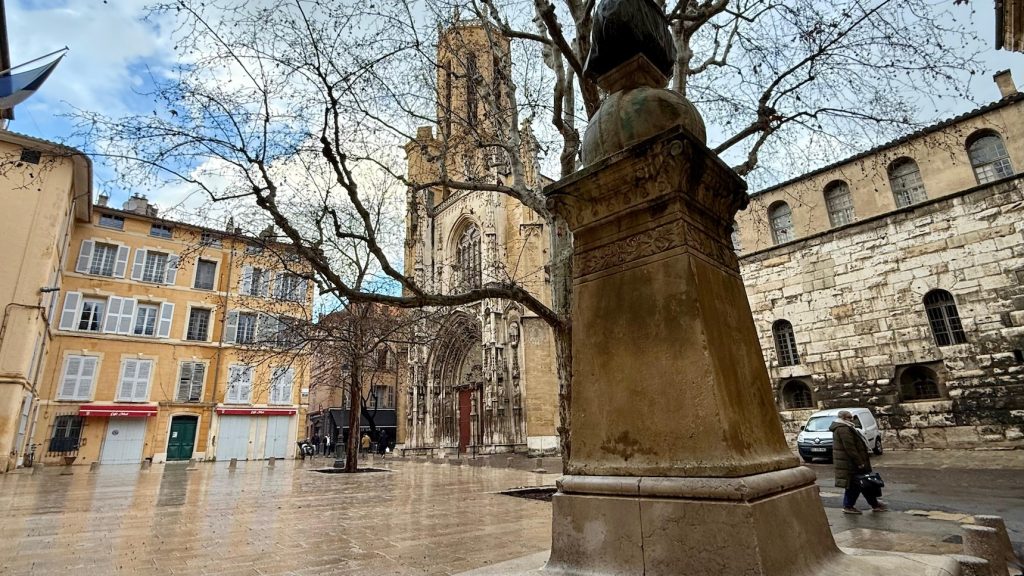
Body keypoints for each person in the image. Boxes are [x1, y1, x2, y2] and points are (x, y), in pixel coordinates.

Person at [830, 410, 887, 514]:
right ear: (844, 418)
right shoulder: (843, 429)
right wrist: (859, 462)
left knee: (866, 483)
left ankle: (874, 504)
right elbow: (850, 448)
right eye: (850, 417)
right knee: (855, 486)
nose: (852, 419)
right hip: (851, 464)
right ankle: (848, 506)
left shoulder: (847, 427)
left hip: (853, 463)